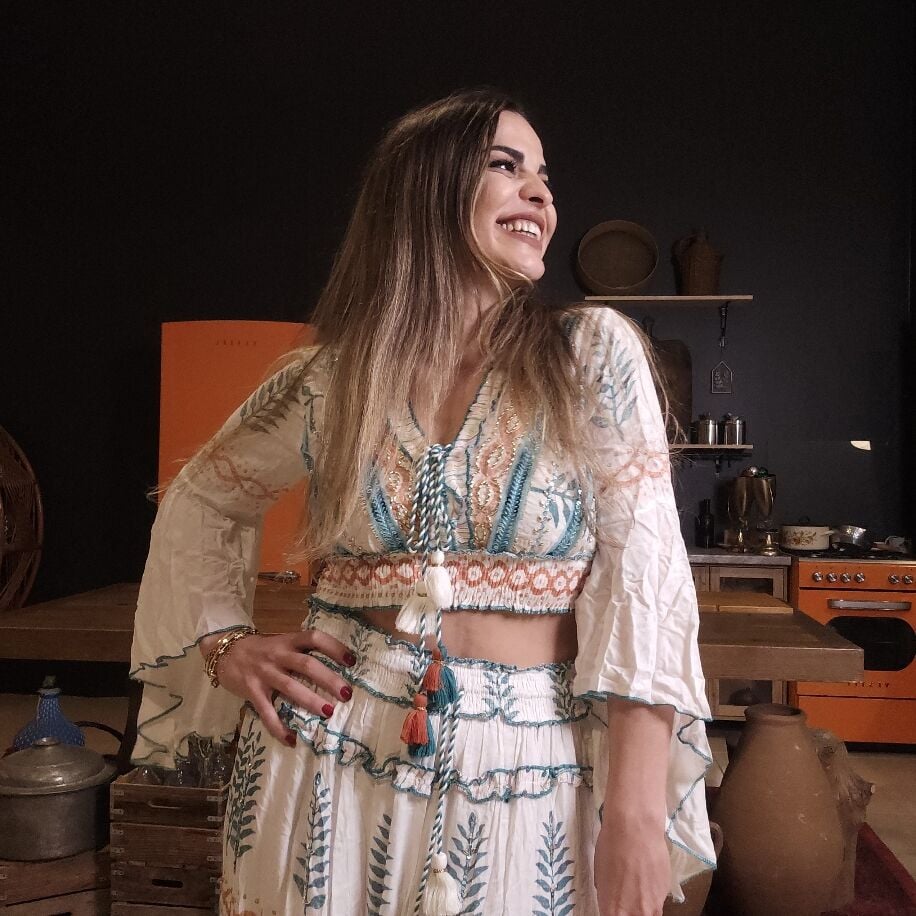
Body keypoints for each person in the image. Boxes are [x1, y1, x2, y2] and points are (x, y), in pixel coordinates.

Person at [130, 89, 715, 916]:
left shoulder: (590, 353)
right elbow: (200, 498)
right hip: (323, 758)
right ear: (426, 189)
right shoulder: (330, 379)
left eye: (544, 174)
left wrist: (637, 814)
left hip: (531, 774)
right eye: (506, 166)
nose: (541, 193)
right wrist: (226, 646)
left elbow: (644, 582)